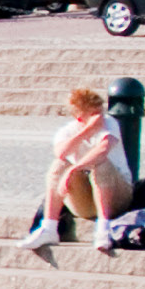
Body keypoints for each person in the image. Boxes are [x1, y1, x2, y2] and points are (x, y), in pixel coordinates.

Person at [19, 85, 135, 251]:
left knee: (101, 165)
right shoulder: (67, 131)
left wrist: (74, 169)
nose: (100, 117)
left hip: (117, 196)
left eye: (100, 111)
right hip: (83, 202)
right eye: (94, 114)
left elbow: (102, 150)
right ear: (80, 117)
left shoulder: (110, 123)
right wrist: (87, 130)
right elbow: (61, 152)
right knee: (59, 164)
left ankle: (104, 229)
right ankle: (49, 228)